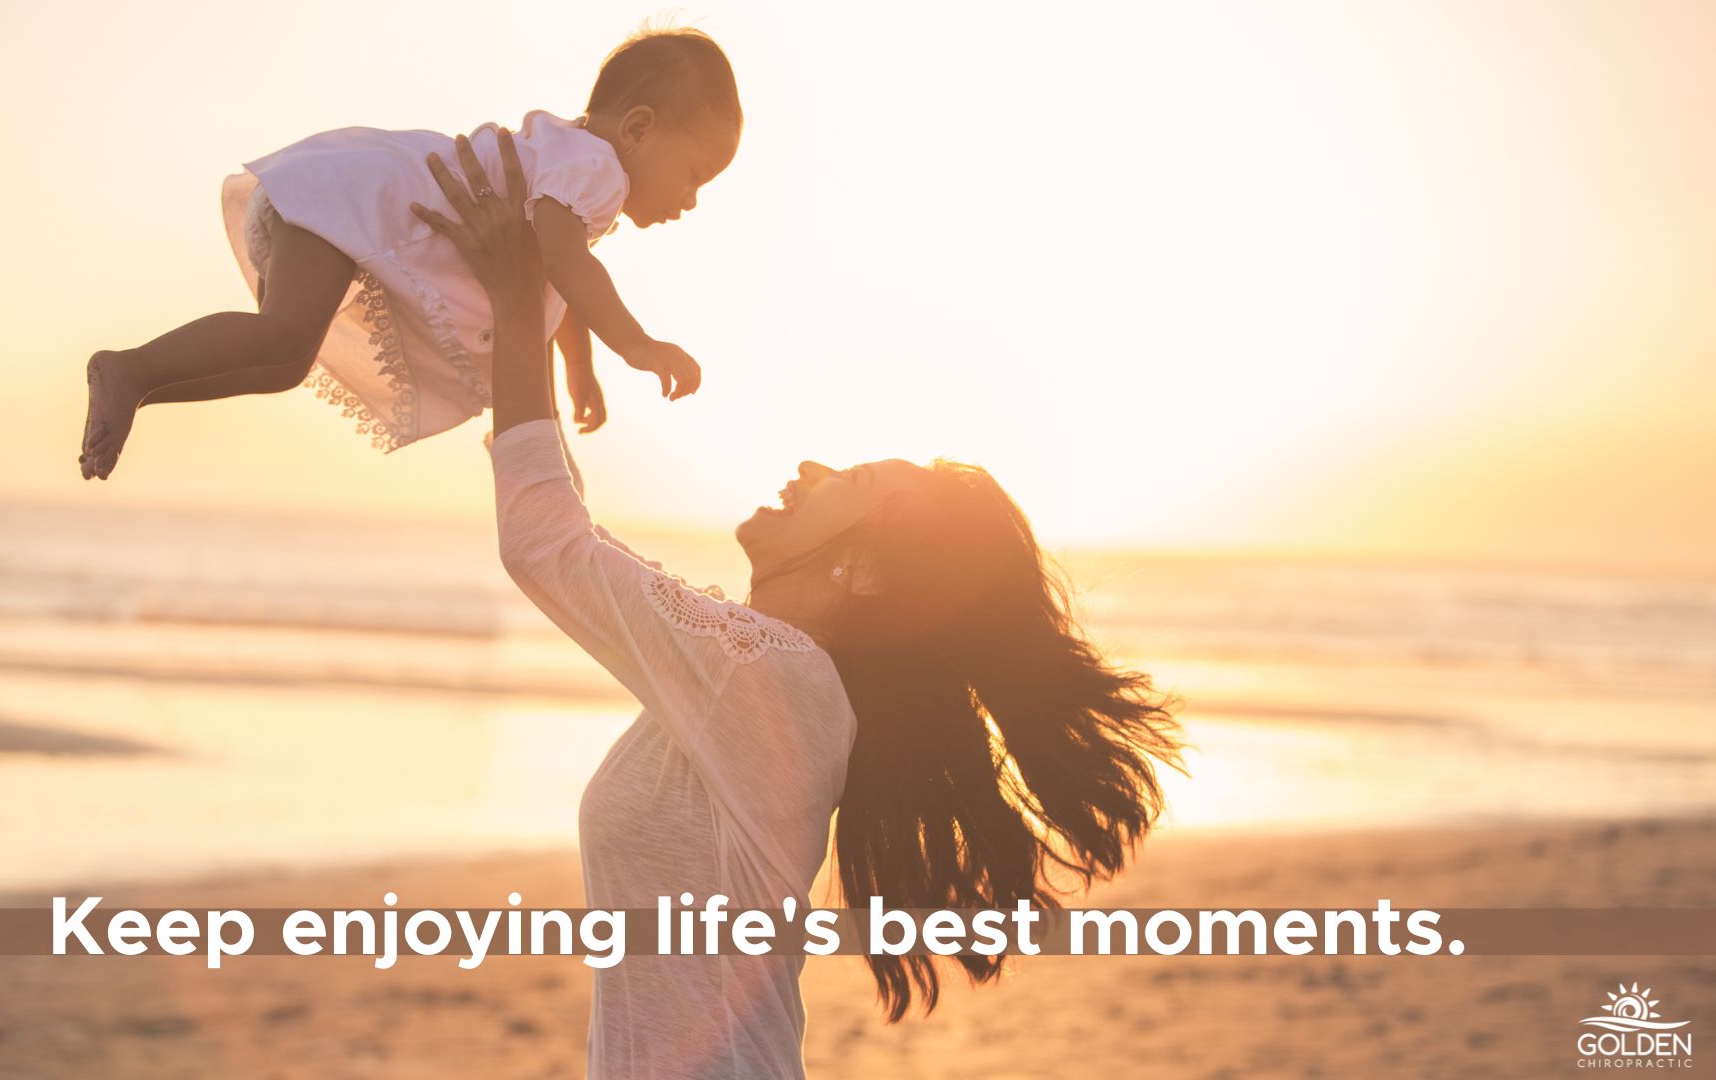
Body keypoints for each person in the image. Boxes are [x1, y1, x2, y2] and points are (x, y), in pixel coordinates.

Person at [430, 131, 1187, 1078]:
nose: (808, 469)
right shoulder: (758, 670)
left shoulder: (774, 679)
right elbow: (577, 542)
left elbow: (546, 543)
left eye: (849, 480)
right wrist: (543, 315)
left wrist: (516, 300)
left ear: (865, 574)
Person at [77, 28, 738, 479]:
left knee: (284, 358)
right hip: (350, 199)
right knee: (281, 336)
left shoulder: (570, 165)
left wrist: (578, 369)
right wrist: (639, 345)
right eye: (694, 173)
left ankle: (139, 385)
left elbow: (558, 281)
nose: (691, 199)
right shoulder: (598, 172)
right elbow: (571, 268)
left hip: (340, 192)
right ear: (641, 128)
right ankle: (129, 370)